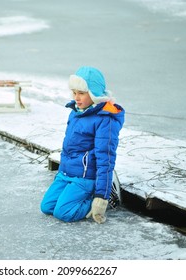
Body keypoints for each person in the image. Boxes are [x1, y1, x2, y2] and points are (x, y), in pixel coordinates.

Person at [40, 66, 125, 224]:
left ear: (94, 93)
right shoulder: (76, 112)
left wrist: (101, 197)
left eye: (81, 93)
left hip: (86, 177)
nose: (76, 98)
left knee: (63, 212)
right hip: (66, 174)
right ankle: (74, 193)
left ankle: (100, 195)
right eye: (74, 92)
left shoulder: (105, 119)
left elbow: (105, 158)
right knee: (47, 207)